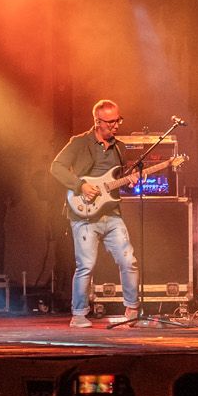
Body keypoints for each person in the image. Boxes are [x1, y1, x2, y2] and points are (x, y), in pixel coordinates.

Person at [49, 99, 141, 327]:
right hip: (84, 214)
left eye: (118, 120)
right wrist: (80, 186)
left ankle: (132, 309)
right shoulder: (80, 143)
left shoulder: (119, 147)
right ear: (97, 121)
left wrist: (131, 182)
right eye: (110, 122)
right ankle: (79, 314)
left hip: (112, 213)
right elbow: (56, 167)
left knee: (129, 261)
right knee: (86, 266)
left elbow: (119, 179)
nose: (115, 126)